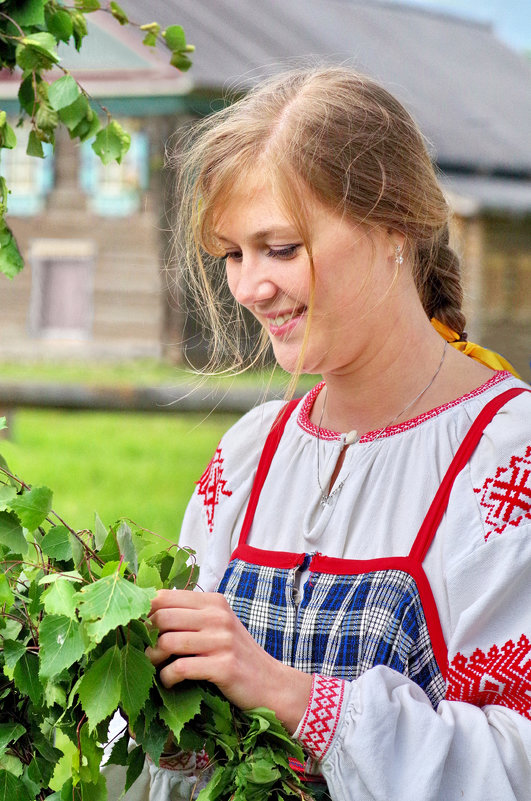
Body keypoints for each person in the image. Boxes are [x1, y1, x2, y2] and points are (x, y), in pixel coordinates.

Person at [142, 66, 531, 800]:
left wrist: (296, 698)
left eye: (281, 248)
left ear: (392, 228)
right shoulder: (250, 454)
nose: (250, 286)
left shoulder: (509, 462)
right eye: (233, 253)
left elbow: (517, 763)